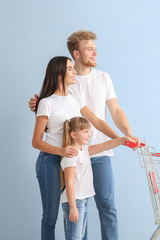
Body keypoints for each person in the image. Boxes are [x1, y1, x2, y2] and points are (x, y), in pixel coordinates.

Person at [29, 30, 140, 240]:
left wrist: (124, 137)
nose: (95, 53)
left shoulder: (90, 86)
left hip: (88, 153)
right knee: (68, 211)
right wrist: (36, 106)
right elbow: (45, 128)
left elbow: (102, 118)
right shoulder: (58, 93)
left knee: (100, 207)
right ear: (76, 54)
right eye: (90, 49)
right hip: (64, 157)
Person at [61, 117, 131, 240]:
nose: (89, 134)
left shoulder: (85, 150)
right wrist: (73, 207)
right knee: (75, 237)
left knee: (80, 236)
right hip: (75, 202)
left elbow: (104, 145)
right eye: (85, 131)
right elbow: (69, 182)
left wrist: (123, 140)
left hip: (83, 199)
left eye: (89, 131)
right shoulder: (71, 156)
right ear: (73, 134)